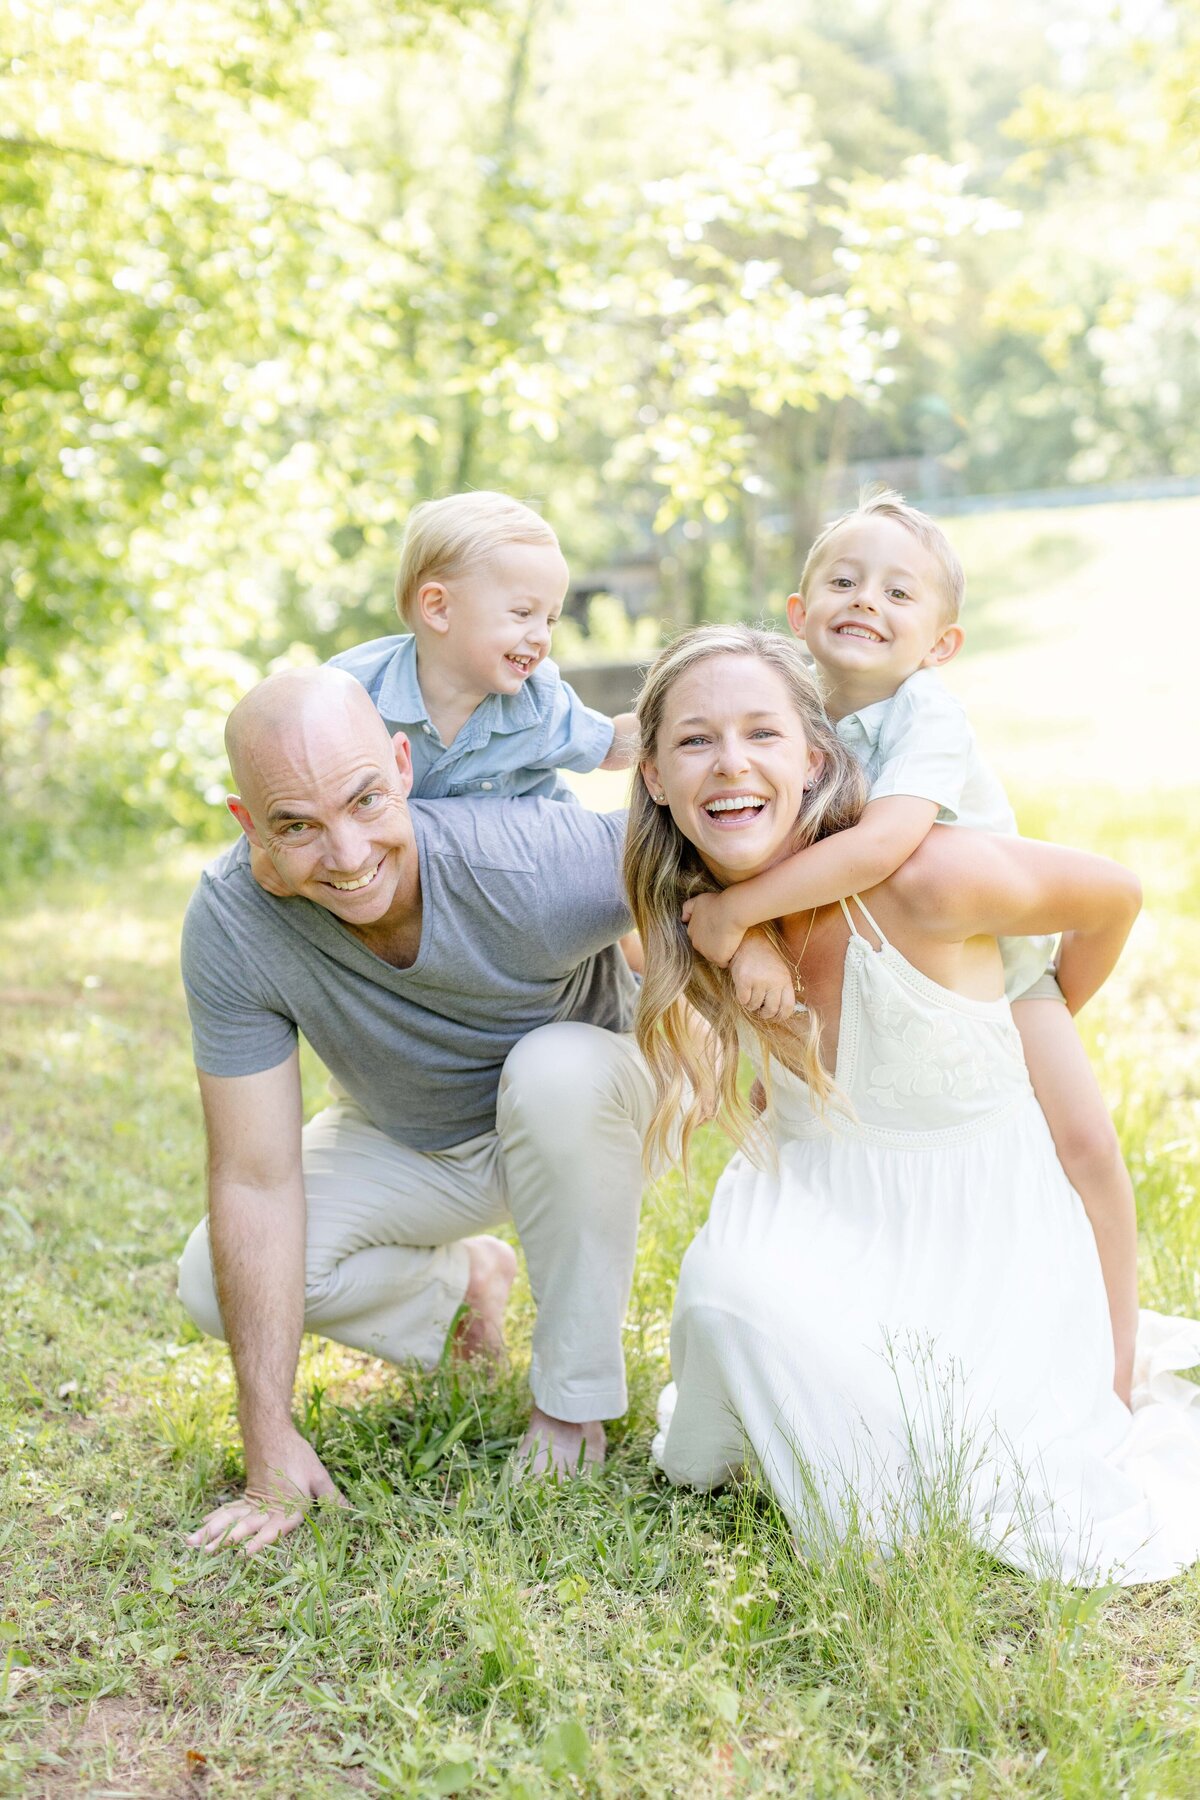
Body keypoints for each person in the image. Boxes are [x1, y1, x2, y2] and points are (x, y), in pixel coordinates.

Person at [629, 625, 1200, 1585]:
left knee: (950, 1459)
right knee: (727, 1305)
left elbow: (1114, 897)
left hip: (978, 1221)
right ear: (653, 775)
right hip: (817, 1202)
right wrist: (741, 936)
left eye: (762, 735)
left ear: (813, 758)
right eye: (695, 741)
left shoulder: (926, 878)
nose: (731, 764)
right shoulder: (690, 918)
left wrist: (1033, 1013)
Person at [176, 663, 658, 1556]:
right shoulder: (234, 923)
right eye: (298, 828)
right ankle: (465, 1289)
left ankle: (571, 1406)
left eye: (364, 801)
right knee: (211, 1282)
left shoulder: (526, 857)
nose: (349, 857)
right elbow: (254, 1174)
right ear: (251, 828)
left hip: (585, 1114)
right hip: (416, 1138)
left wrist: (708, 1031)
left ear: (402, 764)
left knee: (553, 1070)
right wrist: (266, 1437)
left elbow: (717, 847)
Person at [679, 490, 1140, 1403]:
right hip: (862, 974)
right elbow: (734, 852)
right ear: (799, 615)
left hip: (1001, 977)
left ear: (941, 644)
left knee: (1084, 1144)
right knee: (815, 1126)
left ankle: (1115, 1362)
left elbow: (886, 846)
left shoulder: (926, 712)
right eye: (845, 582)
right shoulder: (789, 717)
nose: (868, 602)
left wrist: (738, 921)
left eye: (900, 593)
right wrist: (750, 947)